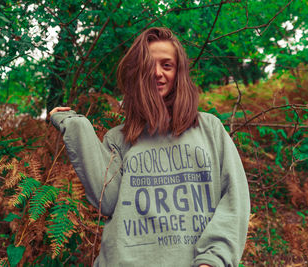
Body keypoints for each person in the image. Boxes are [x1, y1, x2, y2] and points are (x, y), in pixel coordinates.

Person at [50, 27, 250, 267]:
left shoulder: (210, 130)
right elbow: (107, 199)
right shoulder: (120, 137)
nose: (157, 73)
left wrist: (212, 260)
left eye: (167, 65)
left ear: (179, 72)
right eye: (149, 65)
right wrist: (76, 126)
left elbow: (234, 199)